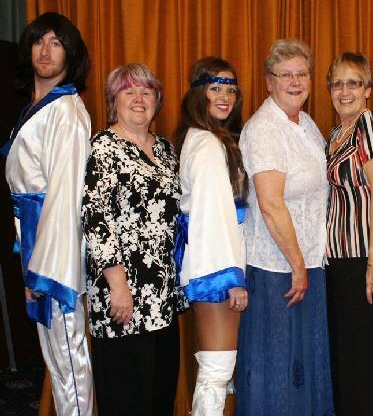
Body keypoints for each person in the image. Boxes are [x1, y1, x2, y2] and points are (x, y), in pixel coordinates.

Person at [235, 38, 334, 416]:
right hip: (277, 269)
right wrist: (296, 265)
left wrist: (306, 264)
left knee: (303, 365)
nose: (295, 82)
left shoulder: (306, 124)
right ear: (268, 82)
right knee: (274, 368)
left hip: (308, 263)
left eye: (302, 74)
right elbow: (271, 203)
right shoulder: (264, 129)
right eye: (285, 75)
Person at [3, 12, 94, 416]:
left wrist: (45, 269)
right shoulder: (37, 108)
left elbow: (65, 196)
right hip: (35, 237)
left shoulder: (68, 111)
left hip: (57, 250)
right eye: (40, 40)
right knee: (56, 360)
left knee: (70, 356)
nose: (45, 49)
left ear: (70, 53)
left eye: (56, 42)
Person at [82, 63, 182, 416]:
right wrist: (118, 283)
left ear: (157, 100)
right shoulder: (102, 146)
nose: (139, 99)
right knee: (126, 396)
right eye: (129, 91)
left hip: (163, 296)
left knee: (160, 394)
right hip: (122, 294)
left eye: (146, 92)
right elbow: (95, 217)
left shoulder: (167, 149)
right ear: (113, 101)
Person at [175, 57, 248, 416]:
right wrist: (231, 279)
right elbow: (213, 218)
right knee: (217, 370)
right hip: (214, 267)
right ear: (198, 93)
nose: (224, 96)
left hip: (211, 261)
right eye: (215, 88)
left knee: (217, 368)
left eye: (231, 89)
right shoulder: (206, 145)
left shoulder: (210, 139)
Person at [324, 52, 373, 416]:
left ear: (368, 89)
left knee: (362, 360)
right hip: (339, 261)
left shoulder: (368, 123)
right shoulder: (336, 133)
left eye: (353, 82)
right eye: (337, 83)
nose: (344, 91)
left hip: (365, 257)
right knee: (344, 357)